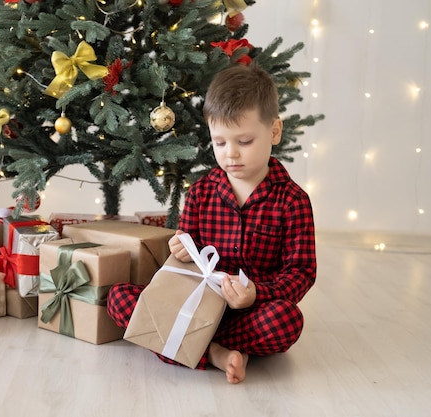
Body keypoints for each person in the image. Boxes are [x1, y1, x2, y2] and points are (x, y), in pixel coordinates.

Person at [107, 63, 316, 384]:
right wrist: (180, 247)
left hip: (250, 312)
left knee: (287, 321)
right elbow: (184, 256)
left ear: (274, 131)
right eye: (220, 142)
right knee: (120, 299)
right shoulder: (202, 192)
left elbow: (301, 272)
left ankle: (190, 346)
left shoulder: (292, 200)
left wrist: (256, 294)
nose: (231, 153)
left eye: (244, 141)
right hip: (194, 303)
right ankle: (218, 353)